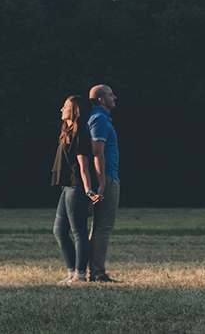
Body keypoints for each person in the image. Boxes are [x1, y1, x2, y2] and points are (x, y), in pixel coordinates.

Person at [50, 94, 100, 284]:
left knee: (79, 232)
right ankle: (72, 272)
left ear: (75, 110)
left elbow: (84, 166)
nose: (61, 109)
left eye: (65, 106)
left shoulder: (79, 135)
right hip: (67, 188)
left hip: (77, 188)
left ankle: (80, 275)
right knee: (59, 231)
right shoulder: (67, 132)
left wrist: (88, 190)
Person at [85, 83, 121, 283]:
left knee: (98, 226)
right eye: (110, 94)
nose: (114, 97)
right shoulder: (99, 119)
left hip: (106, 175)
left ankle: (94, 271)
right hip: (106, 176)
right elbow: (97, 152)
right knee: (103, 226)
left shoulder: (101, 118)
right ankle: (97, 272)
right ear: (101, 99)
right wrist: (102, 183)